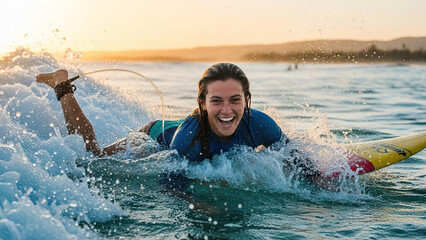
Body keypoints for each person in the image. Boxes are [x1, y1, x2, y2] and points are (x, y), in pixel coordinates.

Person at [36, 63, 320, 182]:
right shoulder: (189, 140)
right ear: (202, 103)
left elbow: (289, 150)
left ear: (247, 100)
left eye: (235, 100)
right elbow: (172, 181)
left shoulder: (261, 124)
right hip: (154, 136)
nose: (226, 110)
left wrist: (317, 177)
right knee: (92, 157)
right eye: (216, 101)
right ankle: (62, 85)